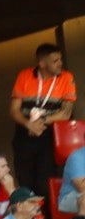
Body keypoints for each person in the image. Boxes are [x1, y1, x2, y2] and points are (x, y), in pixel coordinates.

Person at [10, 42, 77, 191]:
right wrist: (29, 124)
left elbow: (66, 113)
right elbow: (14, 110)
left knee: (46, 182)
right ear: (42, 64)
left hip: (51, 134)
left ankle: (46, 214)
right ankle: (31, 213)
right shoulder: (25, 75)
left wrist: (43, 121)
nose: (60, 63)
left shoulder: (66, 77)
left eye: (60, 59)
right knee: (25, 180)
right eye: (55, 61)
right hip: (25, 132)